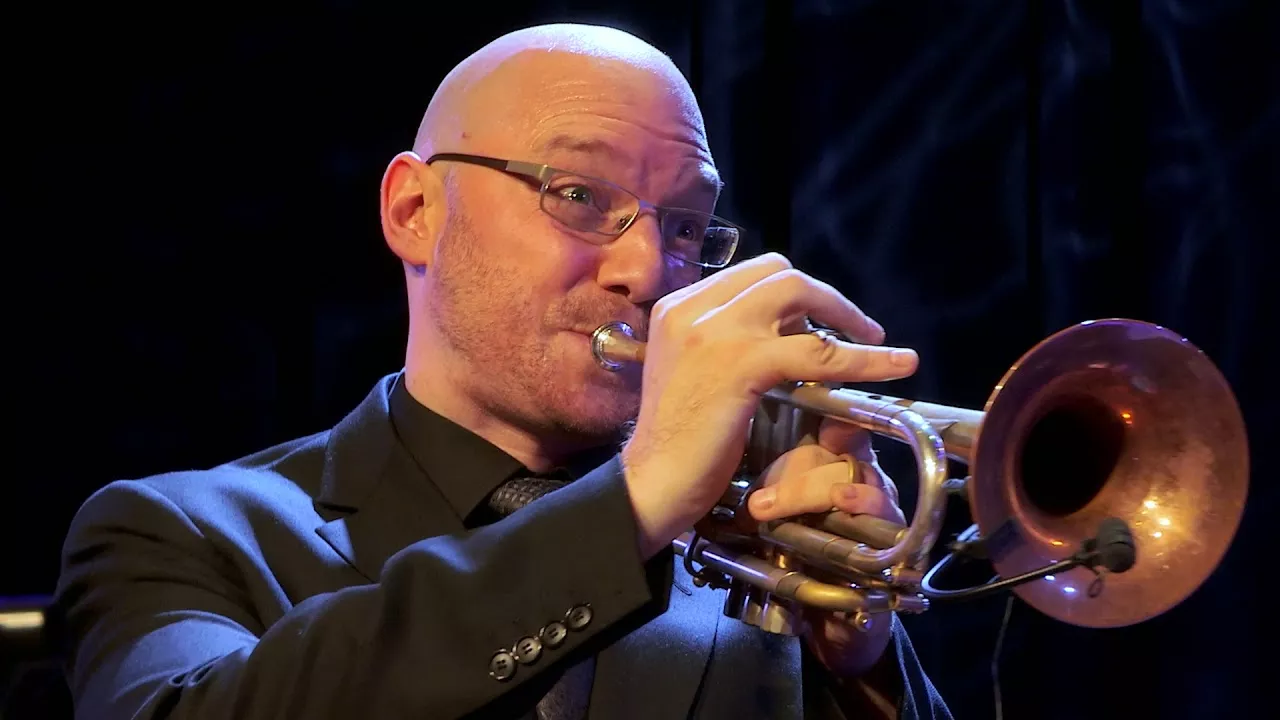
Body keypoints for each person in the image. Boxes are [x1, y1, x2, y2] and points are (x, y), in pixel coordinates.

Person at [51, 23, 953, 720]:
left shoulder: (762, 562)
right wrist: (633, 503)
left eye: (685, 227)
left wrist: (861, 669)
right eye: (580, 196)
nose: (650, 272)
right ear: (414, 210)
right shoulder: (180, 533)